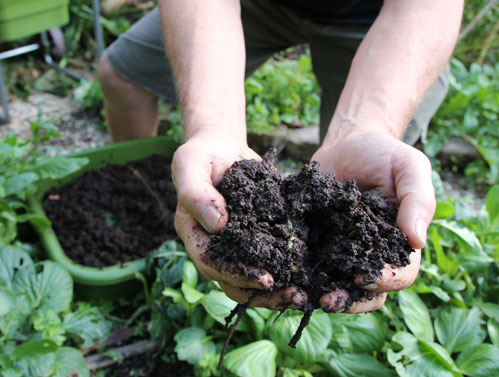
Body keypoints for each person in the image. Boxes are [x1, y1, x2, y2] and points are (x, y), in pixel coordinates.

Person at [98, 0, 464, 313]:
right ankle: (144, 209)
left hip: (378, 15)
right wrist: (213, 125)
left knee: (369, 176)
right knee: (120, 74)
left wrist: (368, 128)